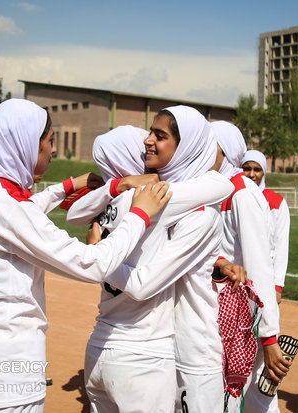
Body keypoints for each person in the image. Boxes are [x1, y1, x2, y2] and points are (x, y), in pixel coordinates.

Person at [0, 98, 171, 413]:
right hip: (8, 366)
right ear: (24, 144)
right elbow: (91, 264)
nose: (53, 150)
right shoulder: (9, 208)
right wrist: (139, 214)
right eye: (49, 141)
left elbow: (18, 216)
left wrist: (67, 186)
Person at [65, 107, 235, 412]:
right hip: (149, 353)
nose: (147, 141)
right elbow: (224, 184)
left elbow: (74, 214)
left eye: (159, 135)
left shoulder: (120, 200)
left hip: (109, 343)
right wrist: (99, 258)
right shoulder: (162, 201)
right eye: (148, 134)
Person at [210, 121, 290, 413]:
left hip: (242, 310)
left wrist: (269, 335)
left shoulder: (243, 193)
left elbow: (259, 263)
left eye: (211, 144)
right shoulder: (223, 188)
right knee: (255, 391)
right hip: (227, 306)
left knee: (236, 392)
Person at [241, 149, 290, 304]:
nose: (251, 174)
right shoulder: (234, 197)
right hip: (237, 275)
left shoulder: (277, 203)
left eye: (257, 169)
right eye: (247, 168)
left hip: (264, 277)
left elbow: (281, 246)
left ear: (264, 172)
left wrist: (277, 286)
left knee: (261, 325)